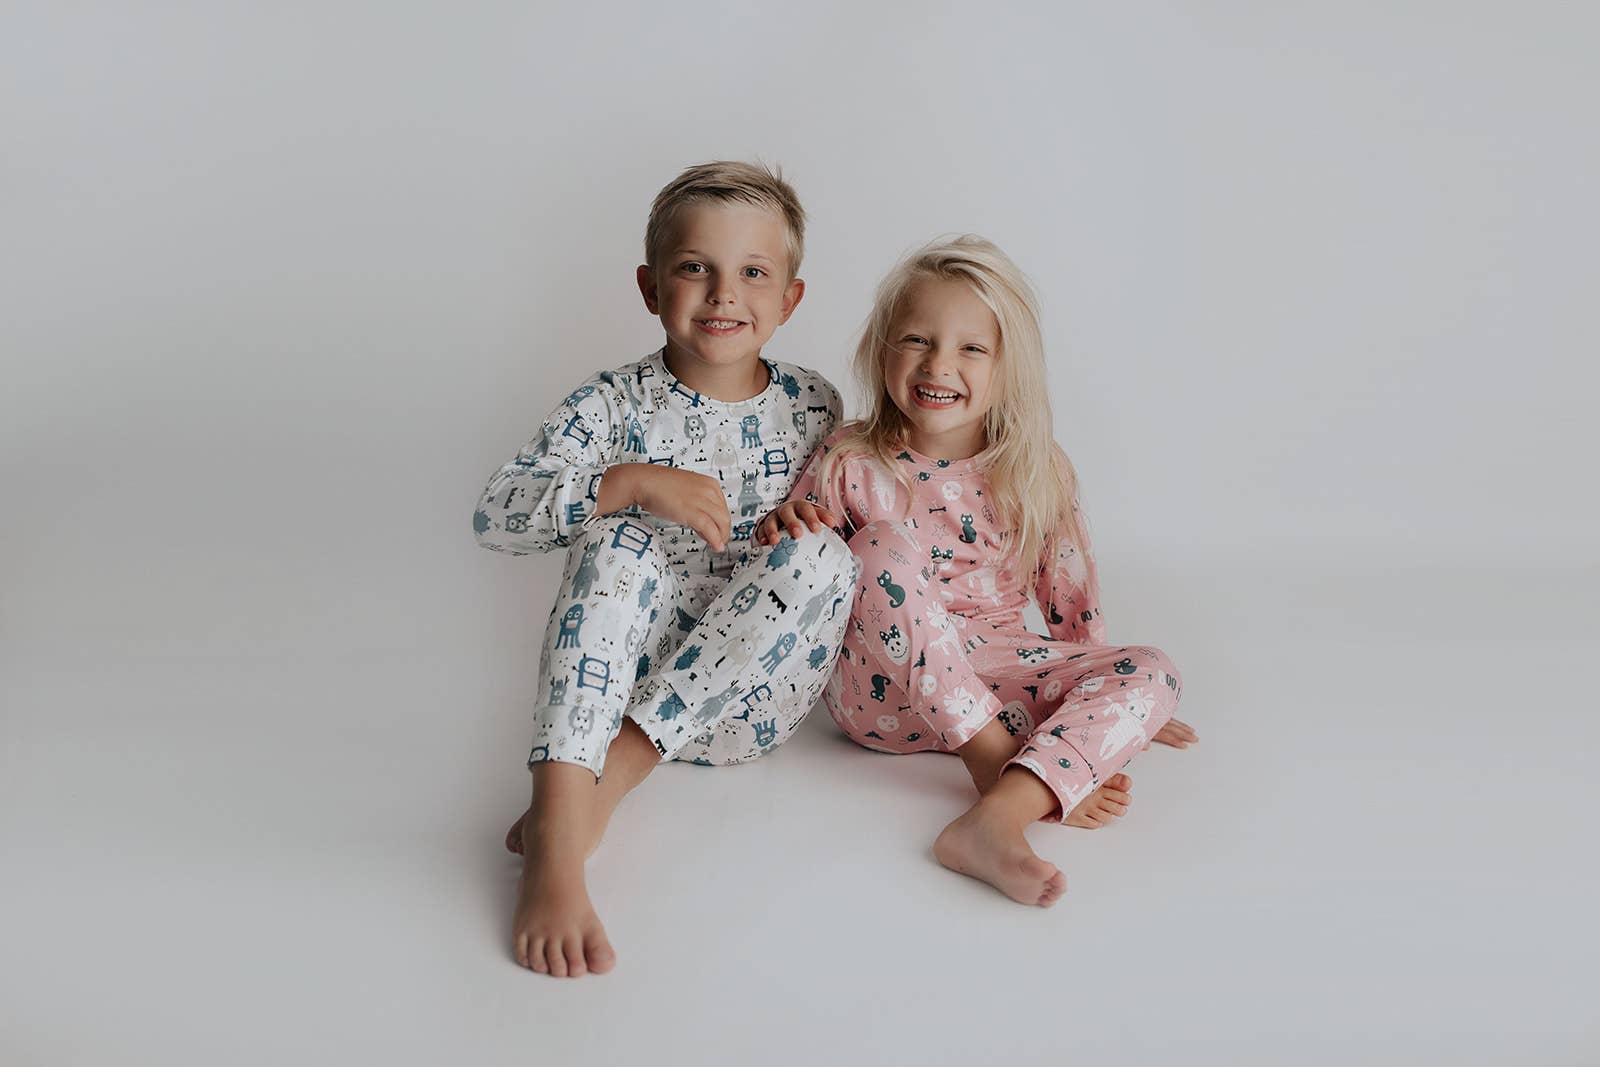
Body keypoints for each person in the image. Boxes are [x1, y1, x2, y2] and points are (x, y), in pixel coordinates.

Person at [475, 162, 856, 976]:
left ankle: (610, 783)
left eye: (753, 273)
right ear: (651, 288)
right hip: (613, 694)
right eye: (695, 267)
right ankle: (558, 834)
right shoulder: (611, 404)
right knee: (616, 541)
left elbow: (852, 517)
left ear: (790, 299)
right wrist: (628, 483)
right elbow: (497, 513)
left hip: (749, 703)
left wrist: (803, 521)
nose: (724, 295)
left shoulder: (816, 404)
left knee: (825, 554)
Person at [757, 235, 1197, 907]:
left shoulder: (1036, 468)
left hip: (998, 675)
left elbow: (1070, 596)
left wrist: (1102, 699)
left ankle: (996, 820)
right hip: (881, 693)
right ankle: (993, 764)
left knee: (1157, 669)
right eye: (916, 339)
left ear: (1007, 367)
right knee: (878, 548)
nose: (939, 364)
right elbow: (802, 576)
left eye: (971, 348)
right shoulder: (850, 459)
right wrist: (786, 526)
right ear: (883, 348)